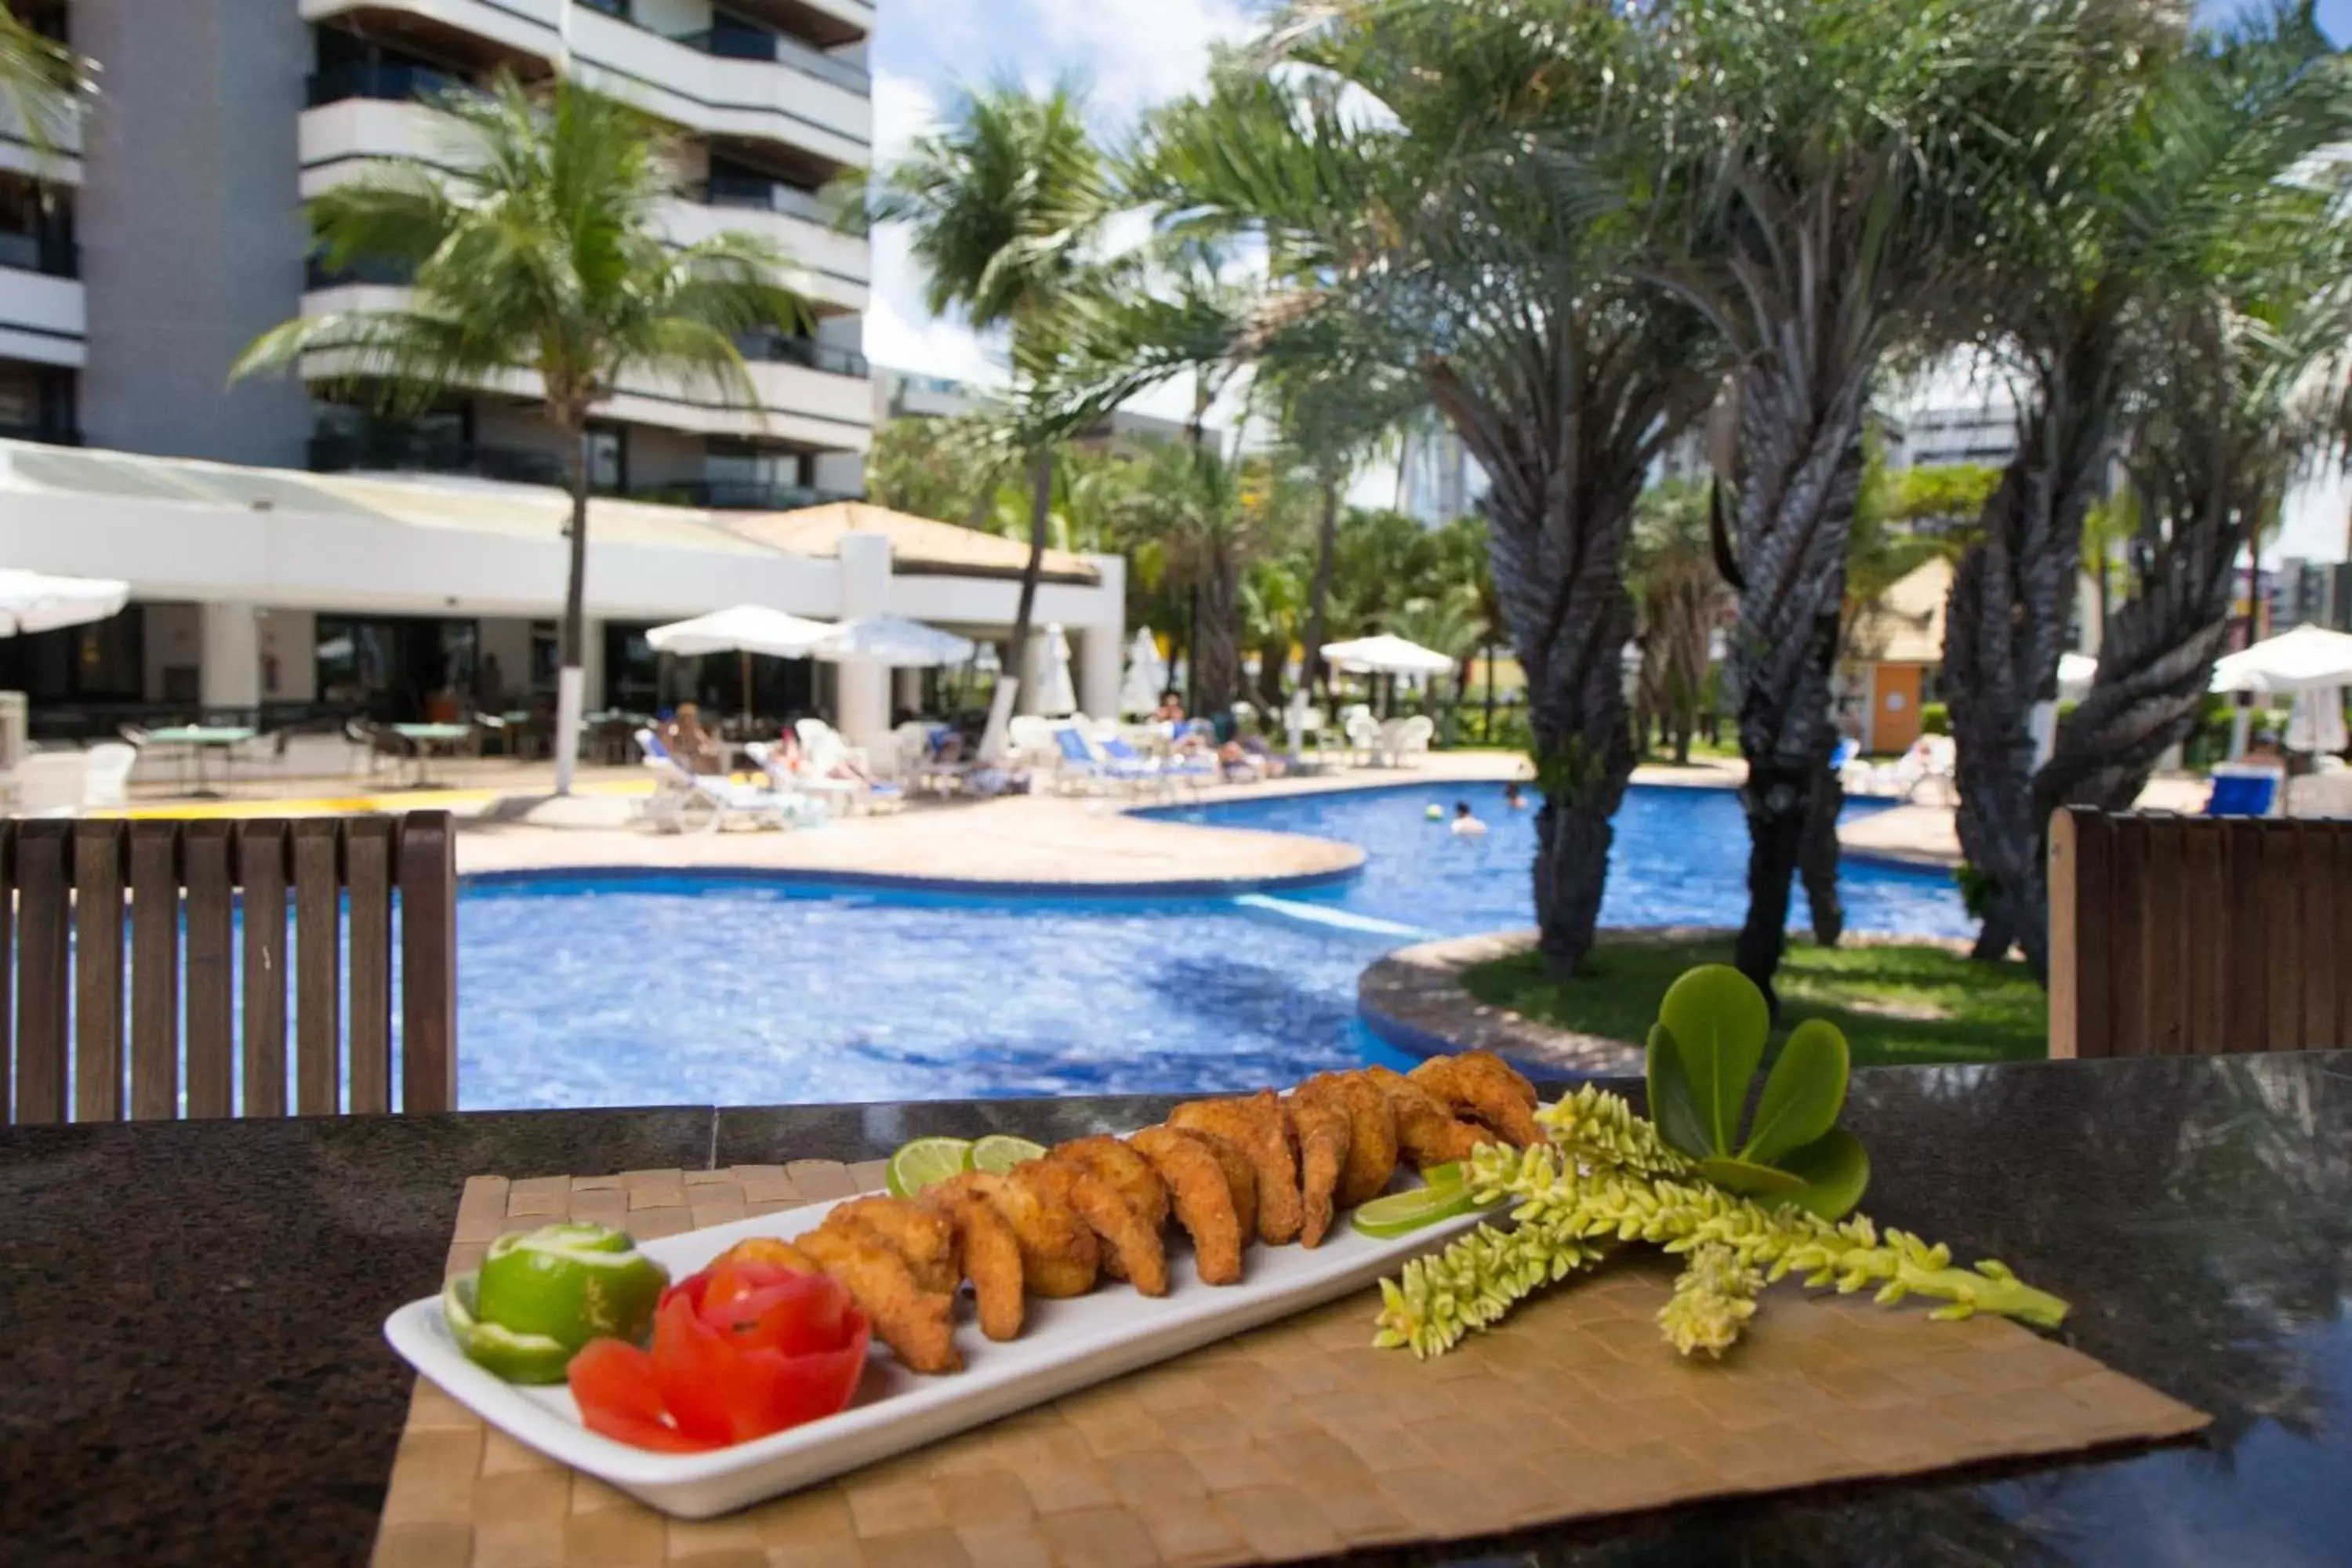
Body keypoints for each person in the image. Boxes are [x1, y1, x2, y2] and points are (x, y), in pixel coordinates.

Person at [659, 702, 724, 775]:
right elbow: (666, 749)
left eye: (690, 717)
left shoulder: (696, 731)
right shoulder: (672, 729)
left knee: (710, 758)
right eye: (684, 717)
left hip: (692, 764)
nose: (687, 720)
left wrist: (706, 750)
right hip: (677, 763)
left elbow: (708, 747)